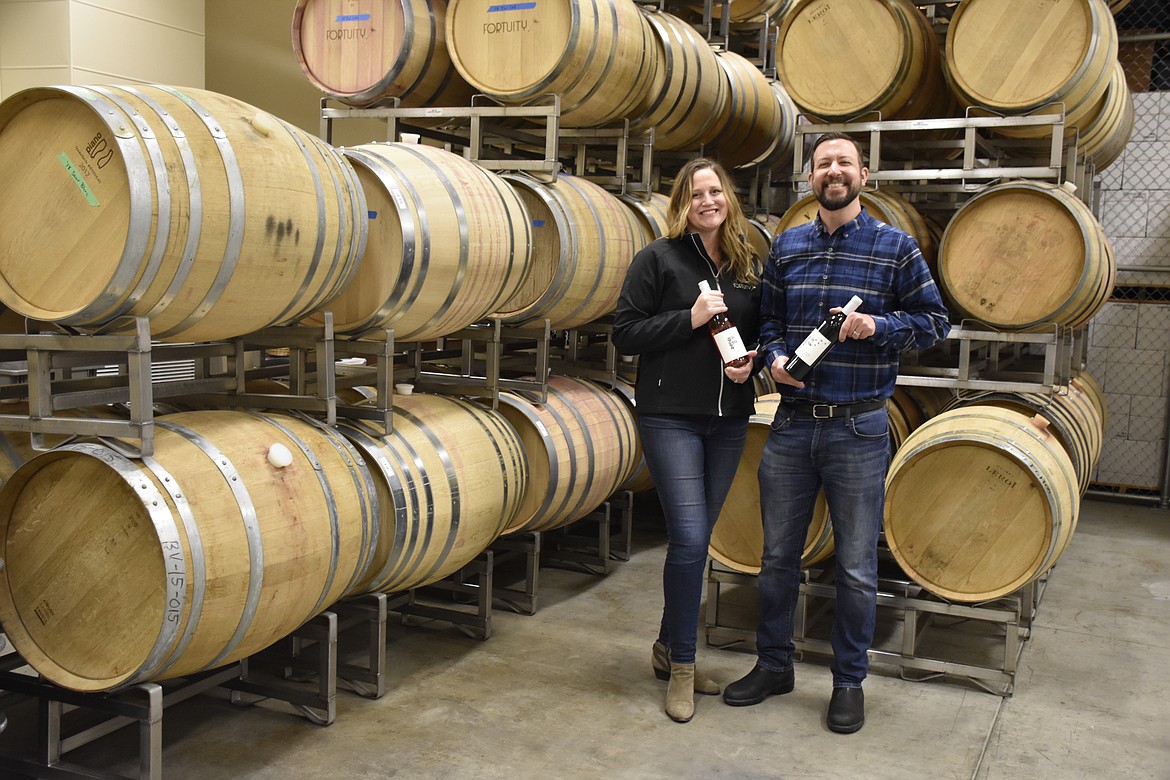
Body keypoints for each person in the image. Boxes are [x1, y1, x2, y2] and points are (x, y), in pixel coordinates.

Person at [722, 133, 950, 733]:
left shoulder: (893, 247)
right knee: (776, 558)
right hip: (792, 426)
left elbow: (934, 323)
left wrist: (875, 325)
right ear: (810, 178)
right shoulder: (789, 247)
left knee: (854, 565)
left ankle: (849, 682)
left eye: (844, 163)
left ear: (863, 175)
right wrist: (771, 357)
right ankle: (774, 664)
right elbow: (769, 320)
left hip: (858, 428)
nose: (834, 172)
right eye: (824, 163)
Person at [613, 158, 762, 723]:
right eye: (696, 193)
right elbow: (625, 333)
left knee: (697, 542)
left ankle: (664, 645)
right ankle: (682, 666)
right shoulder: (657, 259)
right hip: (669, 417)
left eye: (715, 190)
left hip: (728, 420)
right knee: (692, 537)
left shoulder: (749, 261)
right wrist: (690, 318)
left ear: (729, 197)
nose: (708, 200)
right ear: (682, 203)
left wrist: (752, 366)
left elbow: (759, 327)